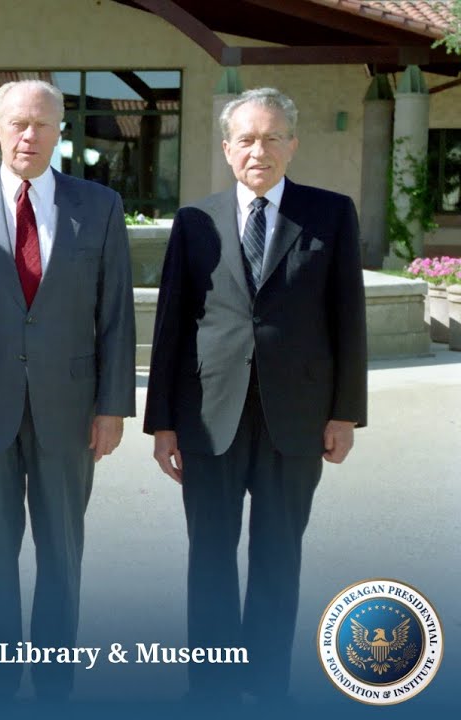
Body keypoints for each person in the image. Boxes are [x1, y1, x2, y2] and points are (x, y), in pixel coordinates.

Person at [144, 87, 367, 703]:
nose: (259, 150)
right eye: (246, 138)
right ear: (226, 148)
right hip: (208, 417)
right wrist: (162, 423)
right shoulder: (195, 221)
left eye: (272, 137)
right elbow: (170, 326)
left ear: (293, 144)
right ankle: (212, 687)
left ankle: (267, 685)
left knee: (277, 556)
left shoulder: (330, 214)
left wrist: (345, 412)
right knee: (210, 557)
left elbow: (348, 316)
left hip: (295, 417)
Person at [0, 79, 135, 701]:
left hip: (71, 408)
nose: (29, 135)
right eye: (17, 123)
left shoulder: (99, 205)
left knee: (63, 550)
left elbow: (116, 314)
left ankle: (55, 678)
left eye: (42, 123)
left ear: (60, 129)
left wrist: (114, 407)